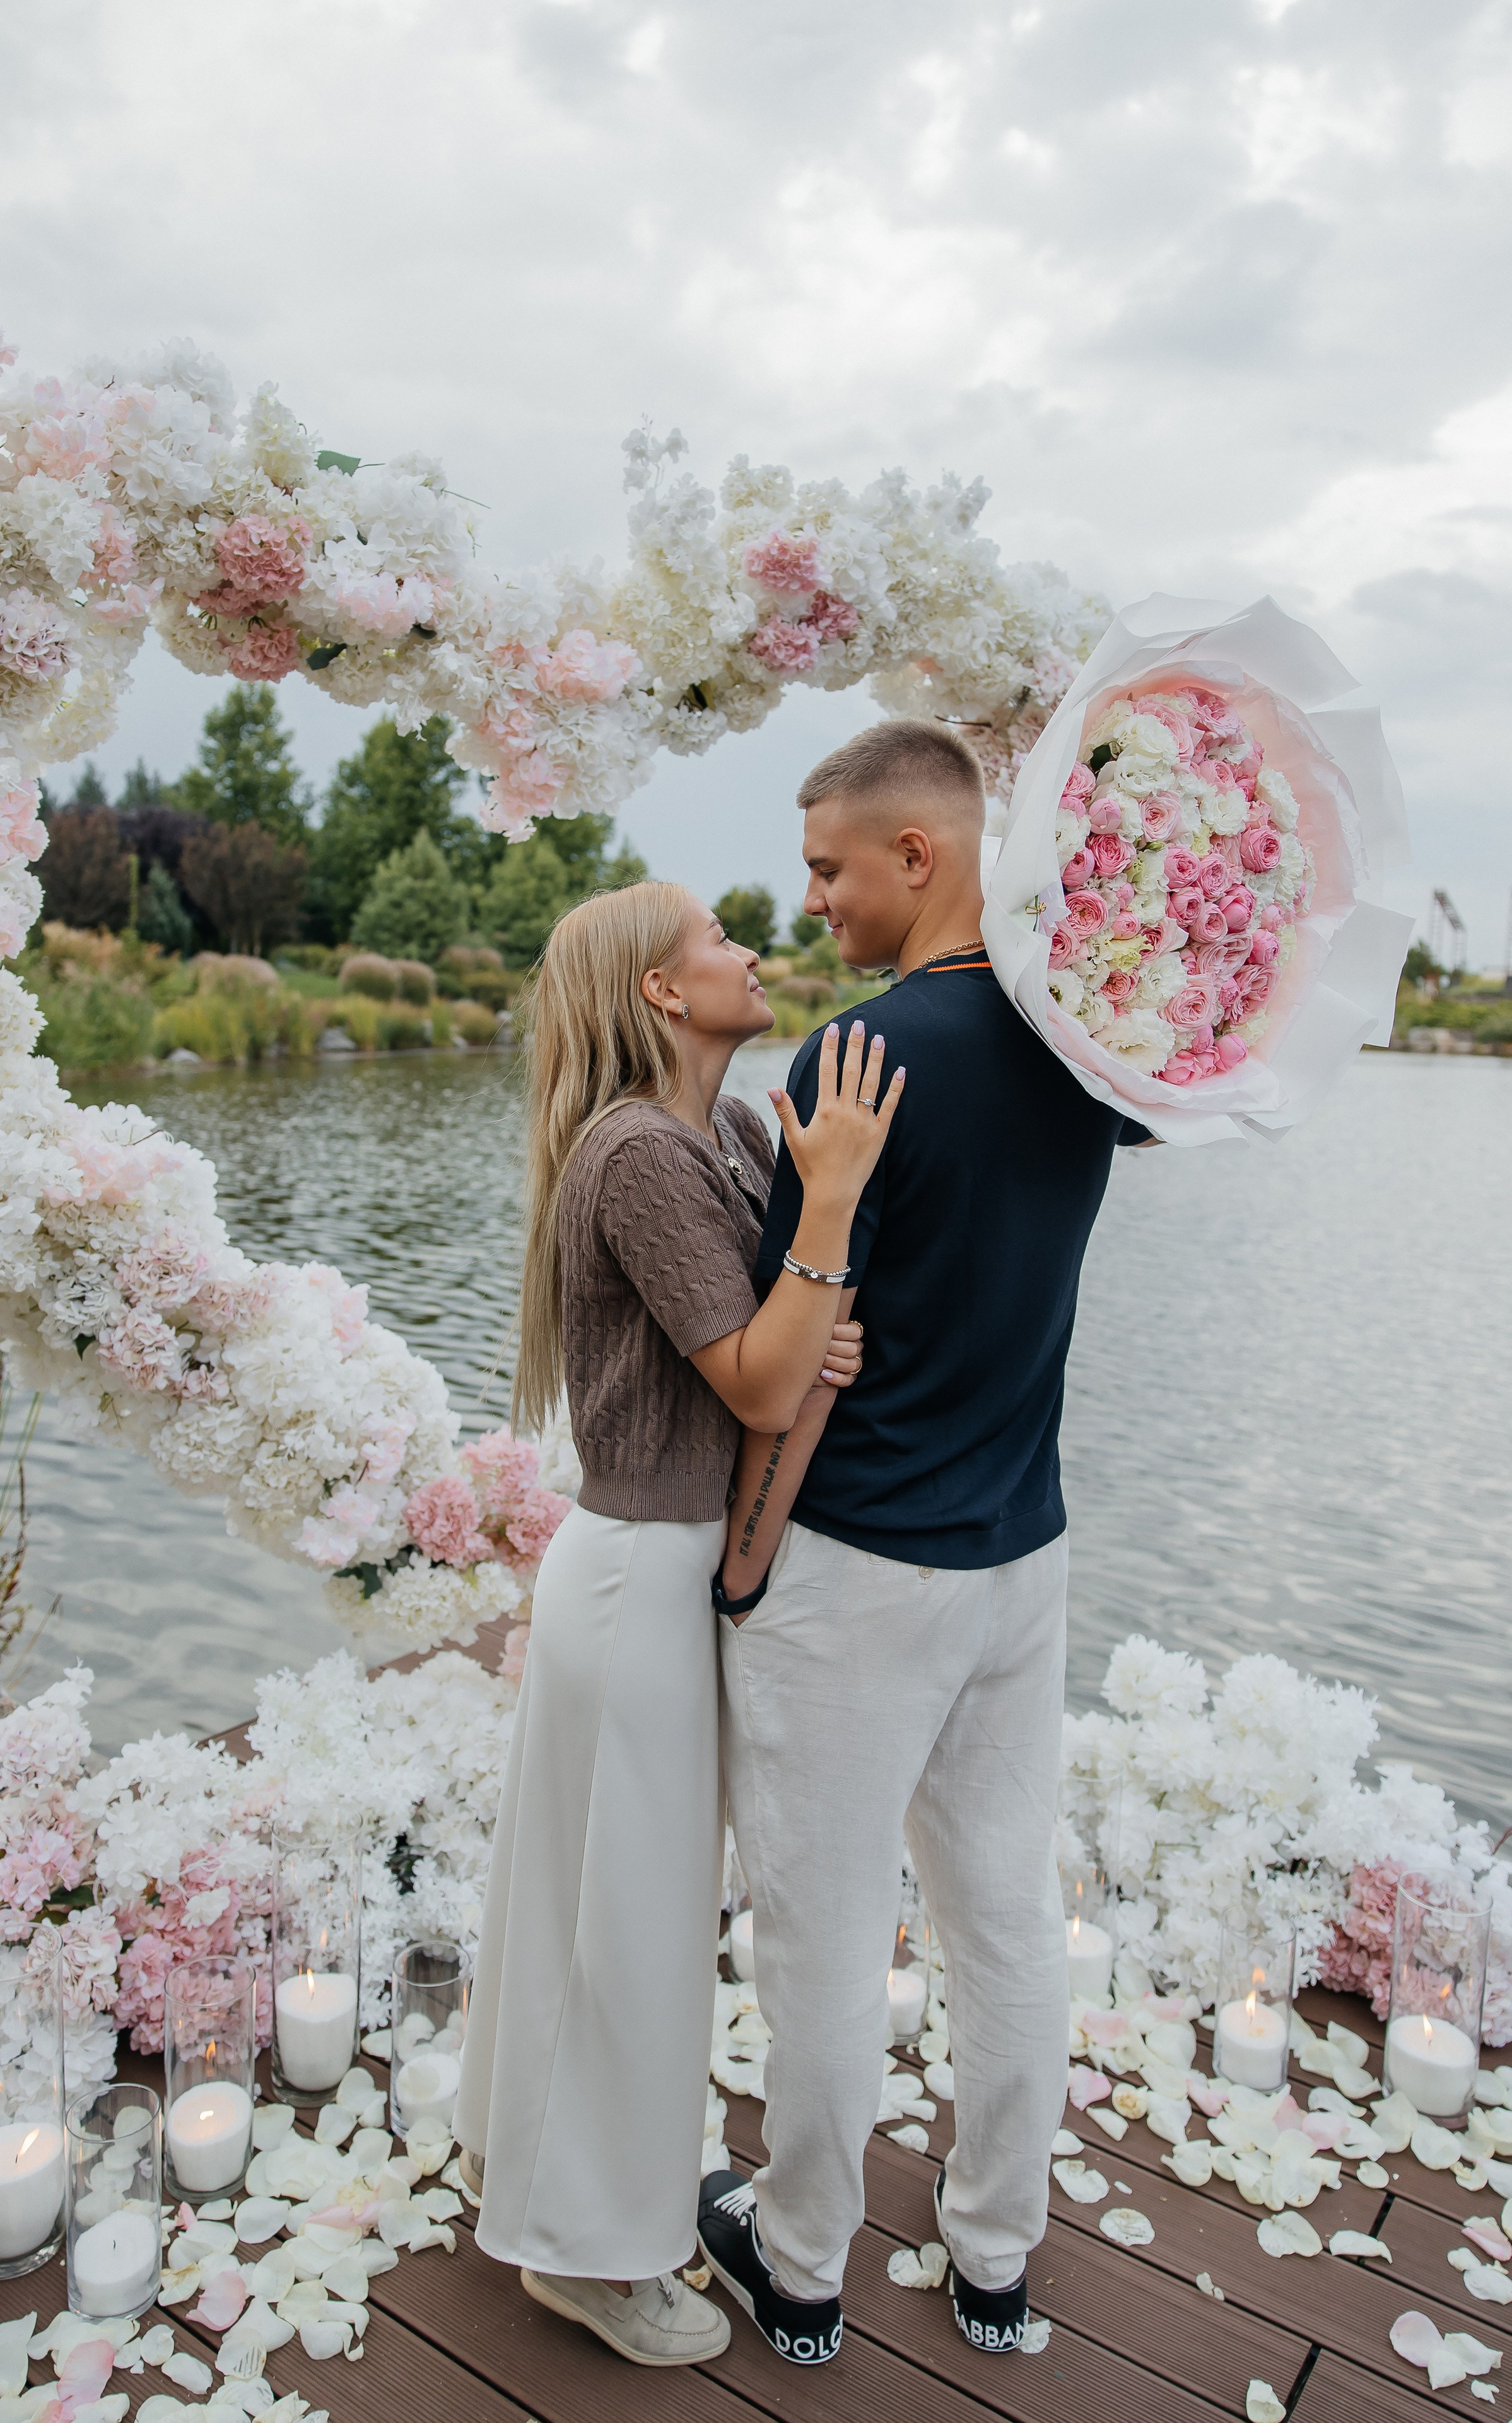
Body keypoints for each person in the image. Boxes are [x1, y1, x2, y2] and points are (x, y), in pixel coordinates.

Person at [696, 720, 1151, 2366]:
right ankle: (993, 2261)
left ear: (921, 853)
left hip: (864, 1567)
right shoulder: (1091, 1048)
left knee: (821, 1930)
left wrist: (742, 1560)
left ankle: (803, 2260)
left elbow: (788, 1365)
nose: (810, 898)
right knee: (1005, 1919)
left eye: (828, 866)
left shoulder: (855, 1061)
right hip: (1023, 1559)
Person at [453, 878, 902, 2367]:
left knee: (611, 1916)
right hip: (641, 1574)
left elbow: (782, 1337)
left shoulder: (709, 1132)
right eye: (717, 940)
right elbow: (765, 1381)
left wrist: (803, 1297)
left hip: (650, 1569)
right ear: (658, 989)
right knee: (633, 1937)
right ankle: (589, 2257)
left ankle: (556, 2186)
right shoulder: (638, 1154)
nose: (751, 949)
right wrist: (816, 1263)